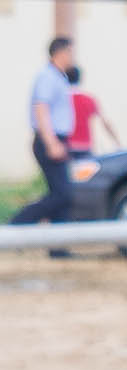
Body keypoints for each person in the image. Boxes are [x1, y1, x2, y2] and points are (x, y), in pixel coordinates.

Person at [13, 36, 77, 234]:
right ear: (61, 52)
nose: (72, 57)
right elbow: (41, 109)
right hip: (49, 140)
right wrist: (51, 143)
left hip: (57, 139)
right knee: (62, 194)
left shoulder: (59, 77)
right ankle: (15, 227)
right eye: (70, 52)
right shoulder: (47, 77)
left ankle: (58, 246)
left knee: (62, 194)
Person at [66, 65, 117, 157]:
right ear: (80, 78)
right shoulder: (88, 99)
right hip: (85, 147)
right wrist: (117, 143)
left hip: (67, 147)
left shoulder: (62, 101)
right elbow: (105, 122)